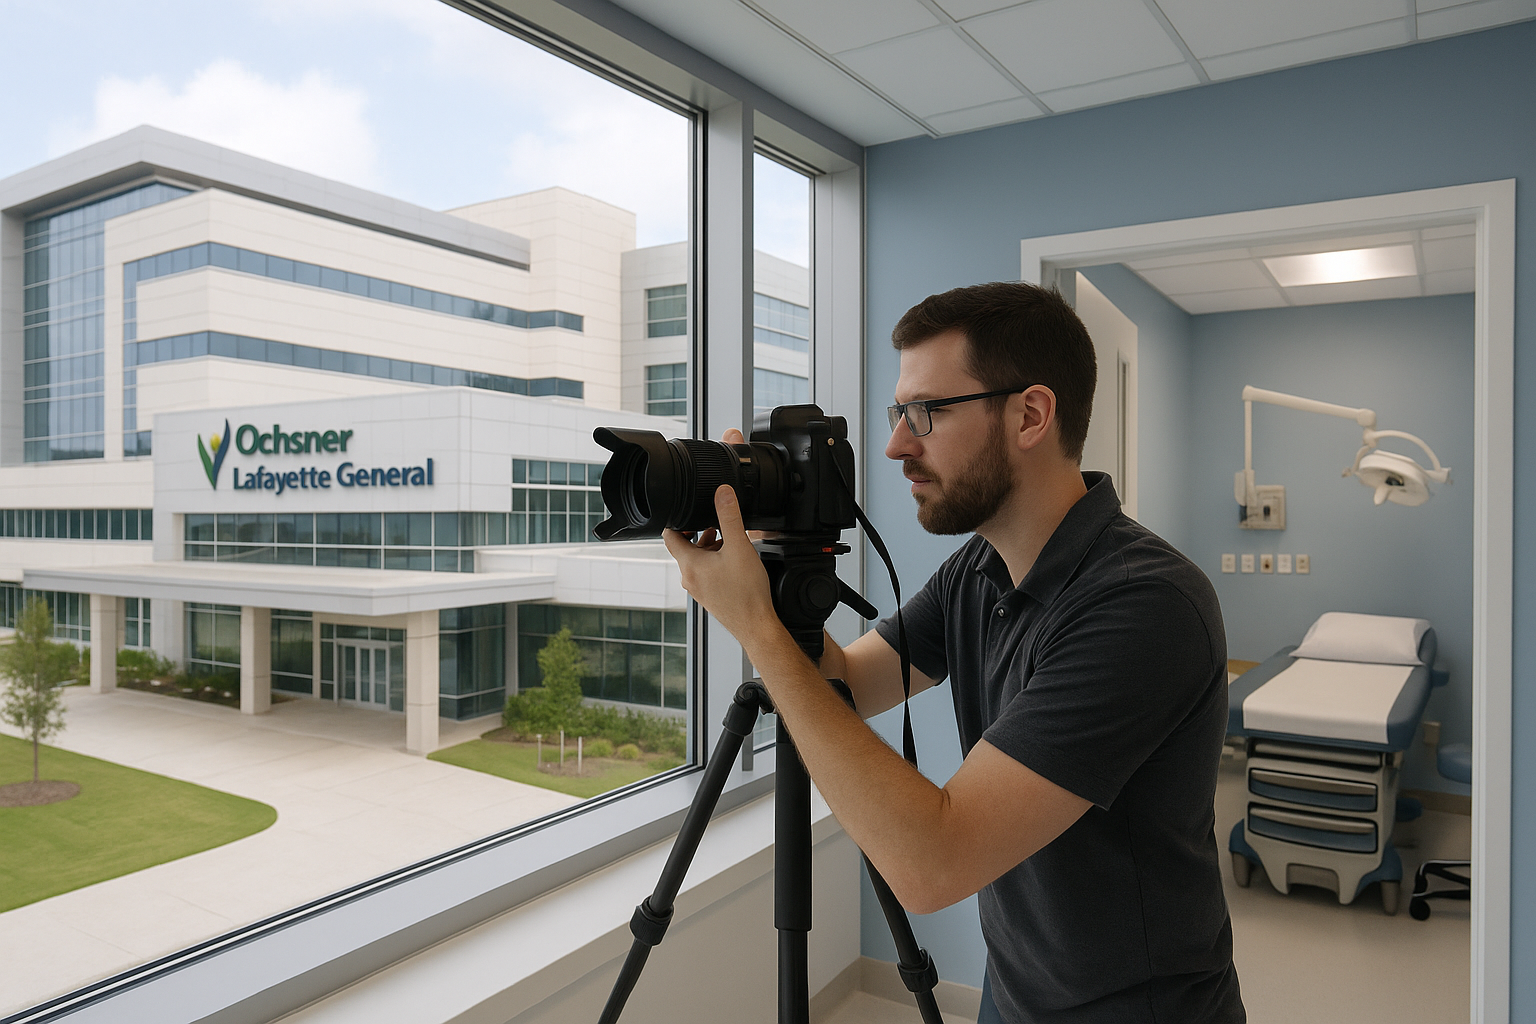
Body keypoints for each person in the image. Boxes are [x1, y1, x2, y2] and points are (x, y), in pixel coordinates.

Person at [662, 281, 1243, 1024]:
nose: (897, 444)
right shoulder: (980, 569)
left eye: (927, 413)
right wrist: (770, 568)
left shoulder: (1144, 605)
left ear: (1030, 414)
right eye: (898, 413)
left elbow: (933, 865)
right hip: (1016, 992)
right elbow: (846, 682)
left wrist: (759, 632)